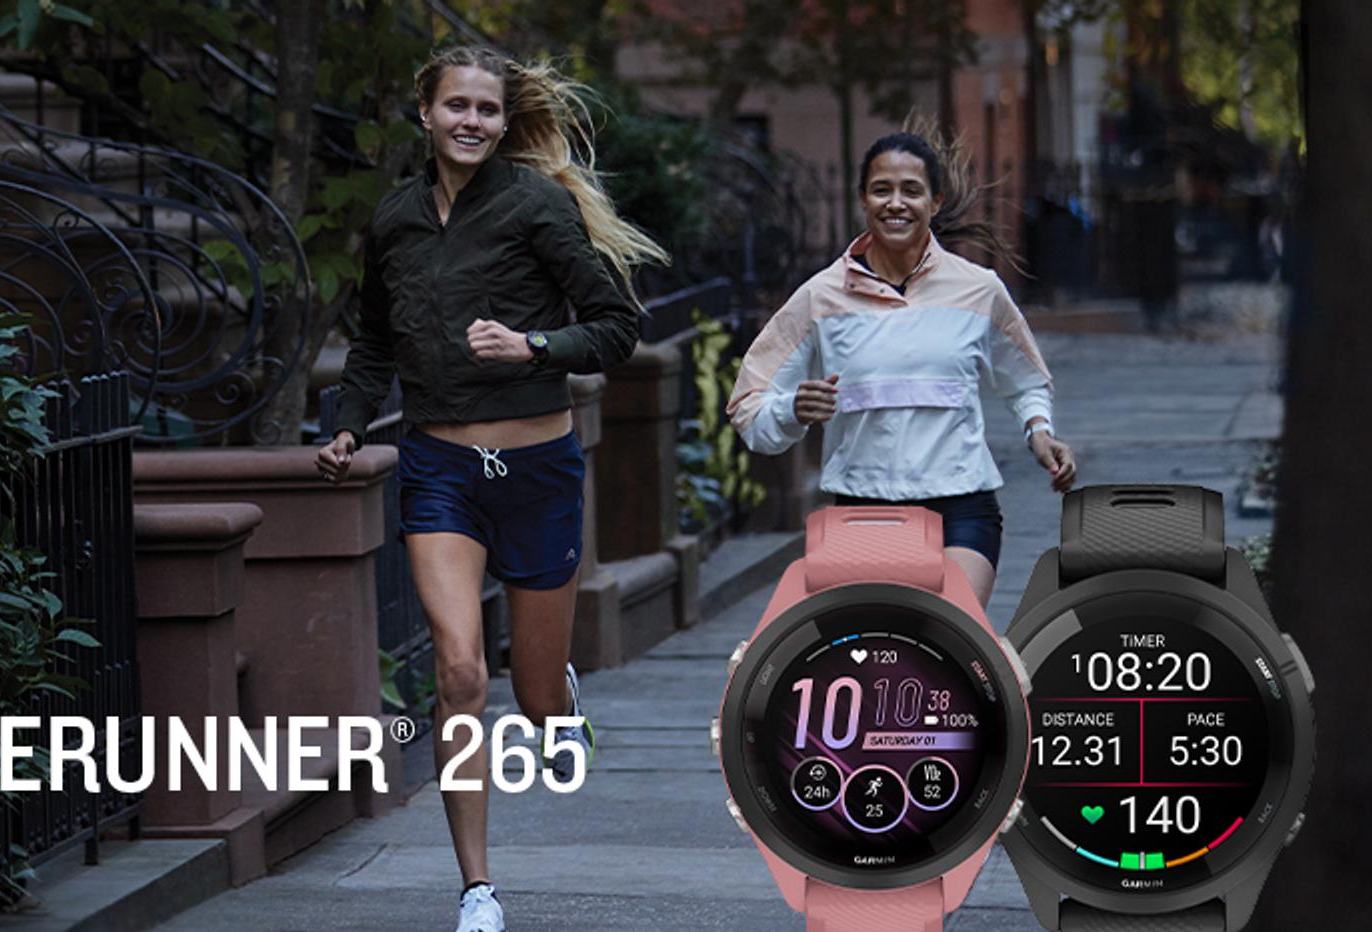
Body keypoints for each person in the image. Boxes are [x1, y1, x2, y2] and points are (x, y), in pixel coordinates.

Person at [315, 45, 667, 932]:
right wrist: (350, 423)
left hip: (537, 472)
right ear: (424, 113)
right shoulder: (394, 219)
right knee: (461, 670)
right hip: (441, 470)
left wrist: (533, 346)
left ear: (506, 123)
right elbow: (373, 341)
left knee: (532, 691)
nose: (471, 121)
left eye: (487, 109)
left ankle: (559, 704)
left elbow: (616, 327)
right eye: (456, 105)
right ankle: (478, 889)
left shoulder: (535, 204)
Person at [727, 126, 1076, 606]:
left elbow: (1026, 382)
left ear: (935, 201)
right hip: (861, 511)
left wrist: (1038, 431)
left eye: (911, 190)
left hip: (961, 506)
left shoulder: (979, 289)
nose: (896, 203)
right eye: (881, 190)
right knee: (875, 647)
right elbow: (749, 409)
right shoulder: (820, 297)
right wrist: (793, 409)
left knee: (951, 633)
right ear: (862, 200)